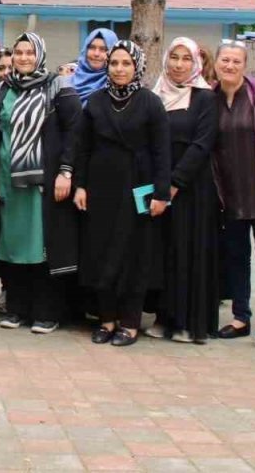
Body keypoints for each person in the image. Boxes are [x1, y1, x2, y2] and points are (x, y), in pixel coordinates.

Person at [0, 32, 81, 334]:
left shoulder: (58, 88)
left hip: (44, 185)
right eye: (19, 52)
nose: (24, 58)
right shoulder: (1, 91)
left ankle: (46, 312)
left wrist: (66, 171)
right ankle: (16, 308)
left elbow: (75, 133)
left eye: (29, 52)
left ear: (40, 54)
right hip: (8, 184)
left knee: (41, 248)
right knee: (13, 248)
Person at [73, 40, 171, 347]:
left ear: (137, 66)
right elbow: (83, 147)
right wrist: (80, 184)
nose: (119, 69)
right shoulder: (96, 102)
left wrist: (161, 193)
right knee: (101, 253)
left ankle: (129, 323)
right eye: (114, 63)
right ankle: (107, 319)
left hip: (138, 188)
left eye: (126, 63)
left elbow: (161, 152)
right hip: (101, 188)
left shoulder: (150, 102)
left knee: (134, 255)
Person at [148, 37, 218, 344]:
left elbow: (202, 144)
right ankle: (164, 317)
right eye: (174, 57)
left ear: (196, 63)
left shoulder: (205, 98)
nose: (178, 64)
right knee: (163, 251)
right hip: (157, 184)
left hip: (190, 189)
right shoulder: (155, 94)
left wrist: (175, 184)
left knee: (187, 251)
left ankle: (188, 322)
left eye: (185, 59)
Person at [211, 40, 255, 339]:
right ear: (216, 63)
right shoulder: (208, 98)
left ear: (244, 65)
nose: (230, 66)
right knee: (237, 258)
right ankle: (240, 317)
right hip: (230, 194)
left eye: (236, 61)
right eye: (225, 60)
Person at [70, 27, 120, 105]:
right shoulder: (67, 81)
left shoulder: (118, 87)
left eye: (103, 49)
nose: (96, 54)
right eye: (92, 48)